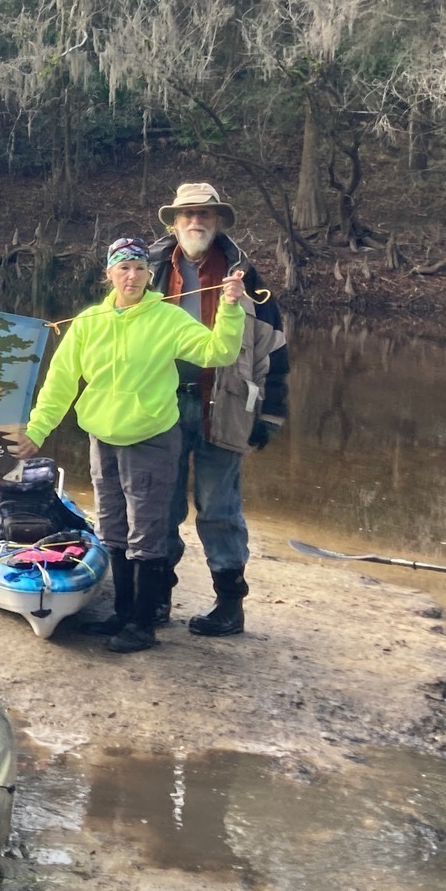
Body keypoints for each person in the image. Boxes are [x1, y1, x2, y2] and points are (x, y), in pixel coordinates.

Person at [15, 236, 247, 653]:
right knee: (112, 526)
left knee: (147, 531)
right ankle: (121, 613)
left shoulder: (168, 319)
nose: (132, 276)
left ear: (149, 274)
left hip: (151, 437)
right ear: (108, 274)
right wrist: (37, 431)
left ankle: (144, 623)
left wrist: (230, 308)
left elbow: (220, 352)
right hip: (102, 437)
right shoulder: (88, 322)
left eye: (140, 268)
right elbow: (60, 383)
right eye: (123, 267)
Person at [148, 182, 288, 638]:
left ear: (218, 222)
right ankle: (157, 599)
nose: (195, 222)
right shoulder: (146, 271)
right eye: (186, 215)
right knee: (160, 507)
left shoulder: (247, 280)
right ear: (173, 222)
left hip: (224, 407)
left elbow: (275, 353)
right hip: (159, 406)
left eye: (204, 215)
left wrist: (269, 415)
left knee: (219, 509)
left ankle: (229, 606)